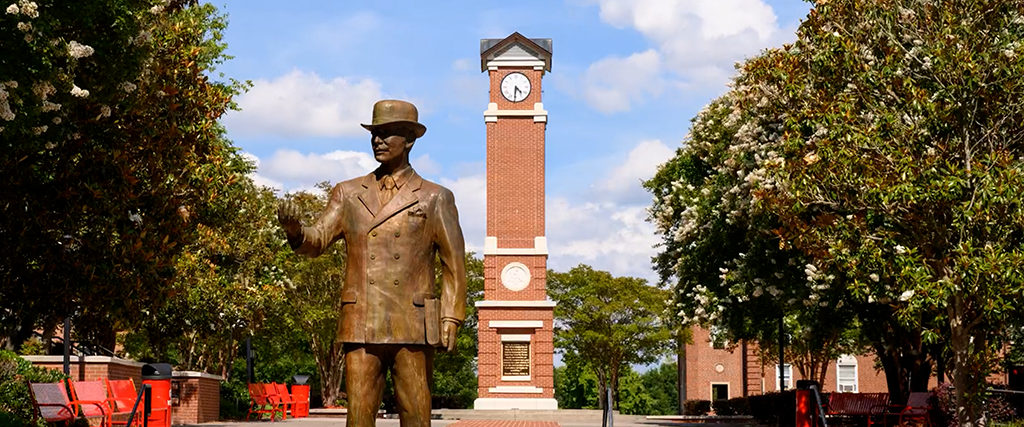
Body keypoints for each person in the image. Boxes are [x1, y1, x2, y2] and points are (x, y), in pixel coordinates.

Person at [277, 99, 467, 427]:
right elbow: (317, 240)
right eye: (374, 134)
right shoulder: (348, 193)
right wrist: (295, 231)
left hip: (413, 323)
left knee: (416, 416)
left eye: (387, 134)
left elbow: (454, 264)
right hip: (362, 320)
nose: (378, 140)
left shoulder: (435, 197)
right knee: (359, 419)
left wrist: (452, 316)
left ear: (409, 140)